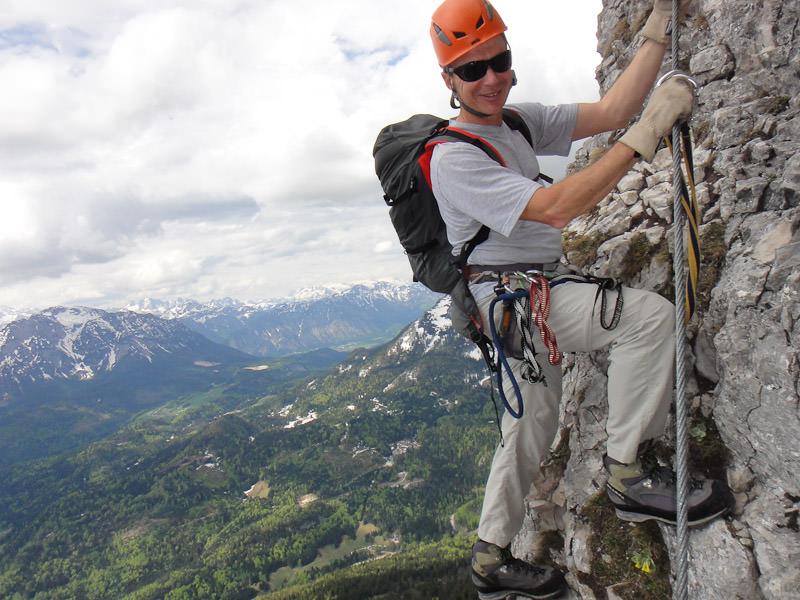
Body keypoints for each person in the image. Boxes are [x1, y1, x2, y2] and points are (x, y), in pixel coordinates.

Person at [428, 0, 731, 597]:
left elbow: (613, 108)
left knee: (528, 427)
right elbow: (558, 206)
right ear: (449, 81)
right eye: (471, 69)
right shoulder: (452, 156)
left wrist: (653, 34)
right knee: (647, 320)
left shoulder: (516, 124)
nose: (489, 78)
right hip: (518, 295)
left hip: (517, 299)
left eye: (498, 61)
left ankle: (490, 558)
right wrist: (648, 134)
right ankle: (626, 474)